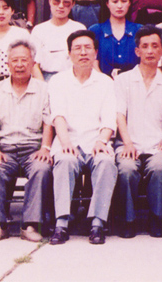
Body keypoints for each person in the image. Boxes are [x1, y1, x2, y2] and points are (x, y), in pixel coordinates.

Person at [48, 30, 118, 246]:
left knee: (106, 162)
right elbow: (57, 115)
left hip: (97, 140)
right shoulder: (58, 81)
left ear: (96, 52)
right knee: (65, 160)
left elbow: (109, 118)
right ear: (69, 53)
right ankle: (61, 224)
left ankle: (97, 223)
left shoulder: (105, 82)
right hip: (68, 140)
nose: (83, 52)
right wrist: (65, 142)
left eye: (88, 48)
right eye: (77, 48)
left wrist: (102, 140)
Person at [0, 40, 53, 243]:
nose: (19, 65)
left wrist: (45, 148)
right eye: (15, 60)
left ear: (33, 63)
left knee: (42, 169)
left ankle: (30, 224)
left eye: (24, 60)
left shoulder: (44, 89)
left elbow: (48, 122)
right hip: (5, 149)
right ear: (7, 63)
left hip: (33, 148)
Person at [114, 27, 162, 239]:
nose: (150, 51)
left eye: (155, 46)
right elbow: (119, 114)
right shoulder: (123, 80)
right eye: (145, 46)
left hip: (158, 143)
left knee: (159, 168)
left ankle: (157, 218)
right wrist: (127, 143)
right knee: (127, 169)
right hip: (129, 143)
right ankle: (128, 220)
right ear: (137, 51)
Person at [30, 0, 85, 81]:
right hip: (45, 79)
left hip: (73, 79)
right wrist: (42, 86)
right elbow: (34, 65)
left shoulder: (79, 29)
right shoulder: (38, 30)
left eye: (66, 2)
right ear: (49, 1)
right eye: (56, 1)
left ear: (72, 4)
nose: (61, 6)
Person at [89, 0, 141, 77]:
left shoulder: (139, 30)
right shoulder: (95, 30)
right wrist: (104, 80)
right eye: (115, 1)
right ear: (107, 3)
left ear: (129, 3)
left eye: (124, 1)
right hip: (103, 82)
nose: (120, 6)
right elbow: (92, 61)